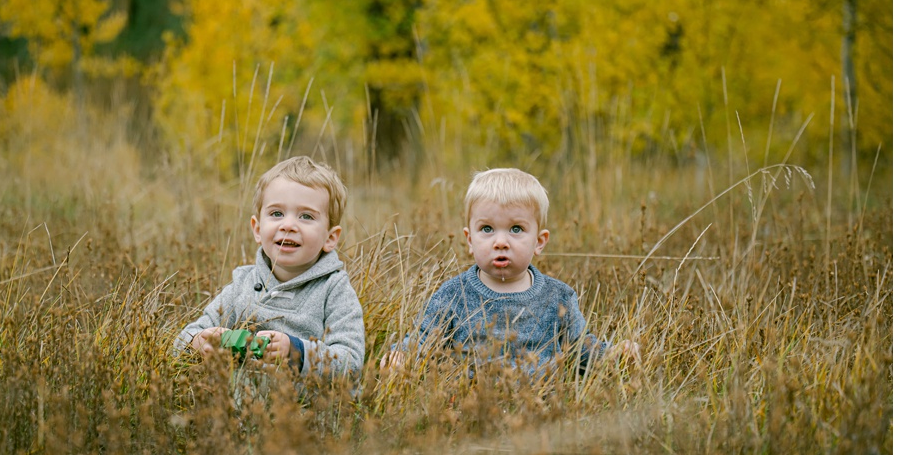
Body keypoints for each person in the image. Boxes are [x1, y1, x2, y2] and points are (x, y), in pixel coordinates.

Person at [381, 167, 639, 377]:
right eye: (487, 229)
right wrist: (401, 357)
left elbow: (580, 349)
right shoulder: (453, 295)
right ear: (469, 240)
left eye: (516, 229)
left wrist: (613, 356)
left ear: (539, 241)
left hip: (538, 413)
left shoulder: (557, 297)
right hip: (471, 411)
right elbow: (422, 340)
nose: (500, 241)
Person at [175, 156, 365, 386]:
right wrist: (198, 341)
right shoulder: (243, 284)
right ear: (257, 228)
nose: (288, 225)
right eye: (277, 213)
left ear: (330, 237)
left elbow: (352, 363)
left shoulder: (334, 290)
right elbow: (182, 340)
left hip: (303, 416)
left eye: (306, 216)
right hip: (236, 413)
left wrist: (296, 352)